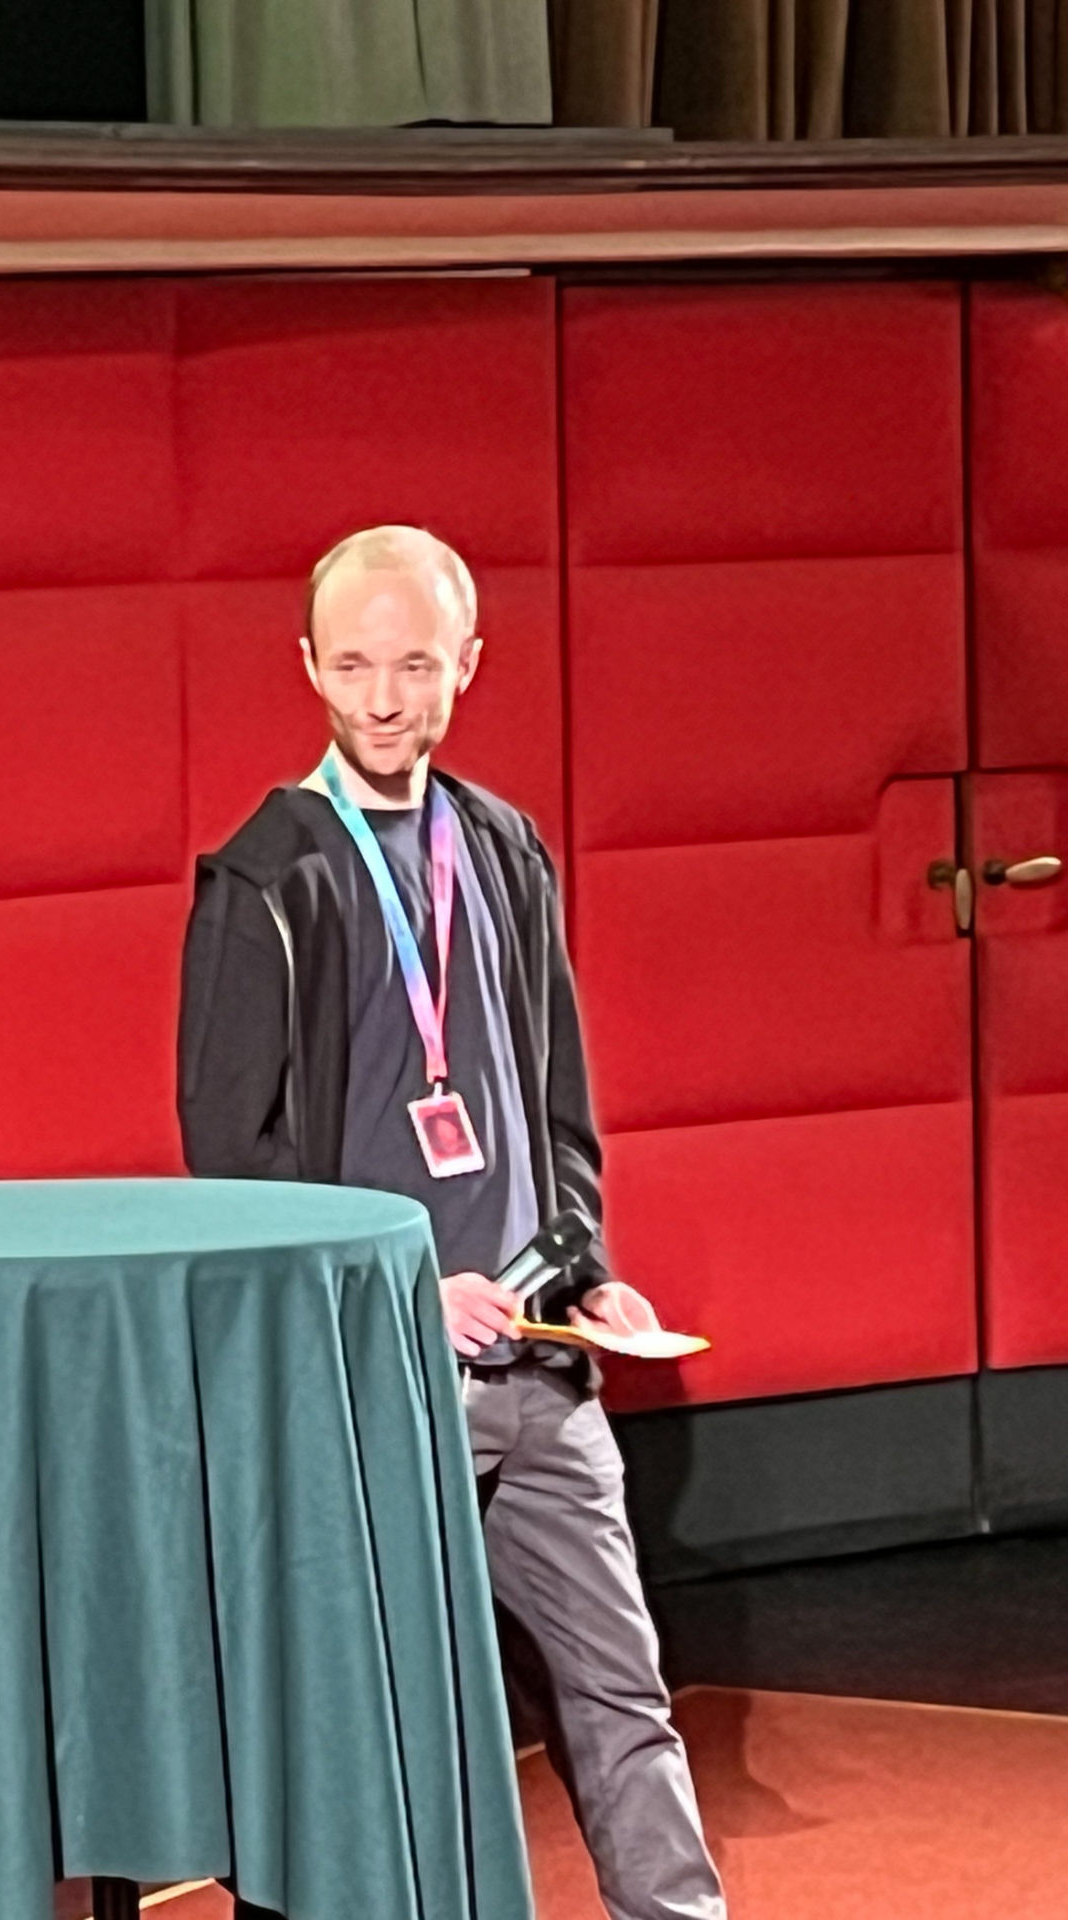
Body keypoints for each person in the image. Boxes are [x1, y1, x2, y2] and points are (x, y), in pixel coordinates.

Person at [177, 527, 724, 1920]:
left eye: (415, 665)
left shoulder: (503, 848)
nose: (384, 698)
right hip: (378, 1383)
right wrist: (403, 1298)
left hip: (539, 1370)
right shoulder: (266, 880)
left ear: (466, 666)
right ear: (310, 667)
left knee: (624, 1699)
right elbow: (231, 1168)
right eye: (356, 665)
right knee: (363, 1735)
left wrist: (584, 1270)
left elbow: (557, 1107)